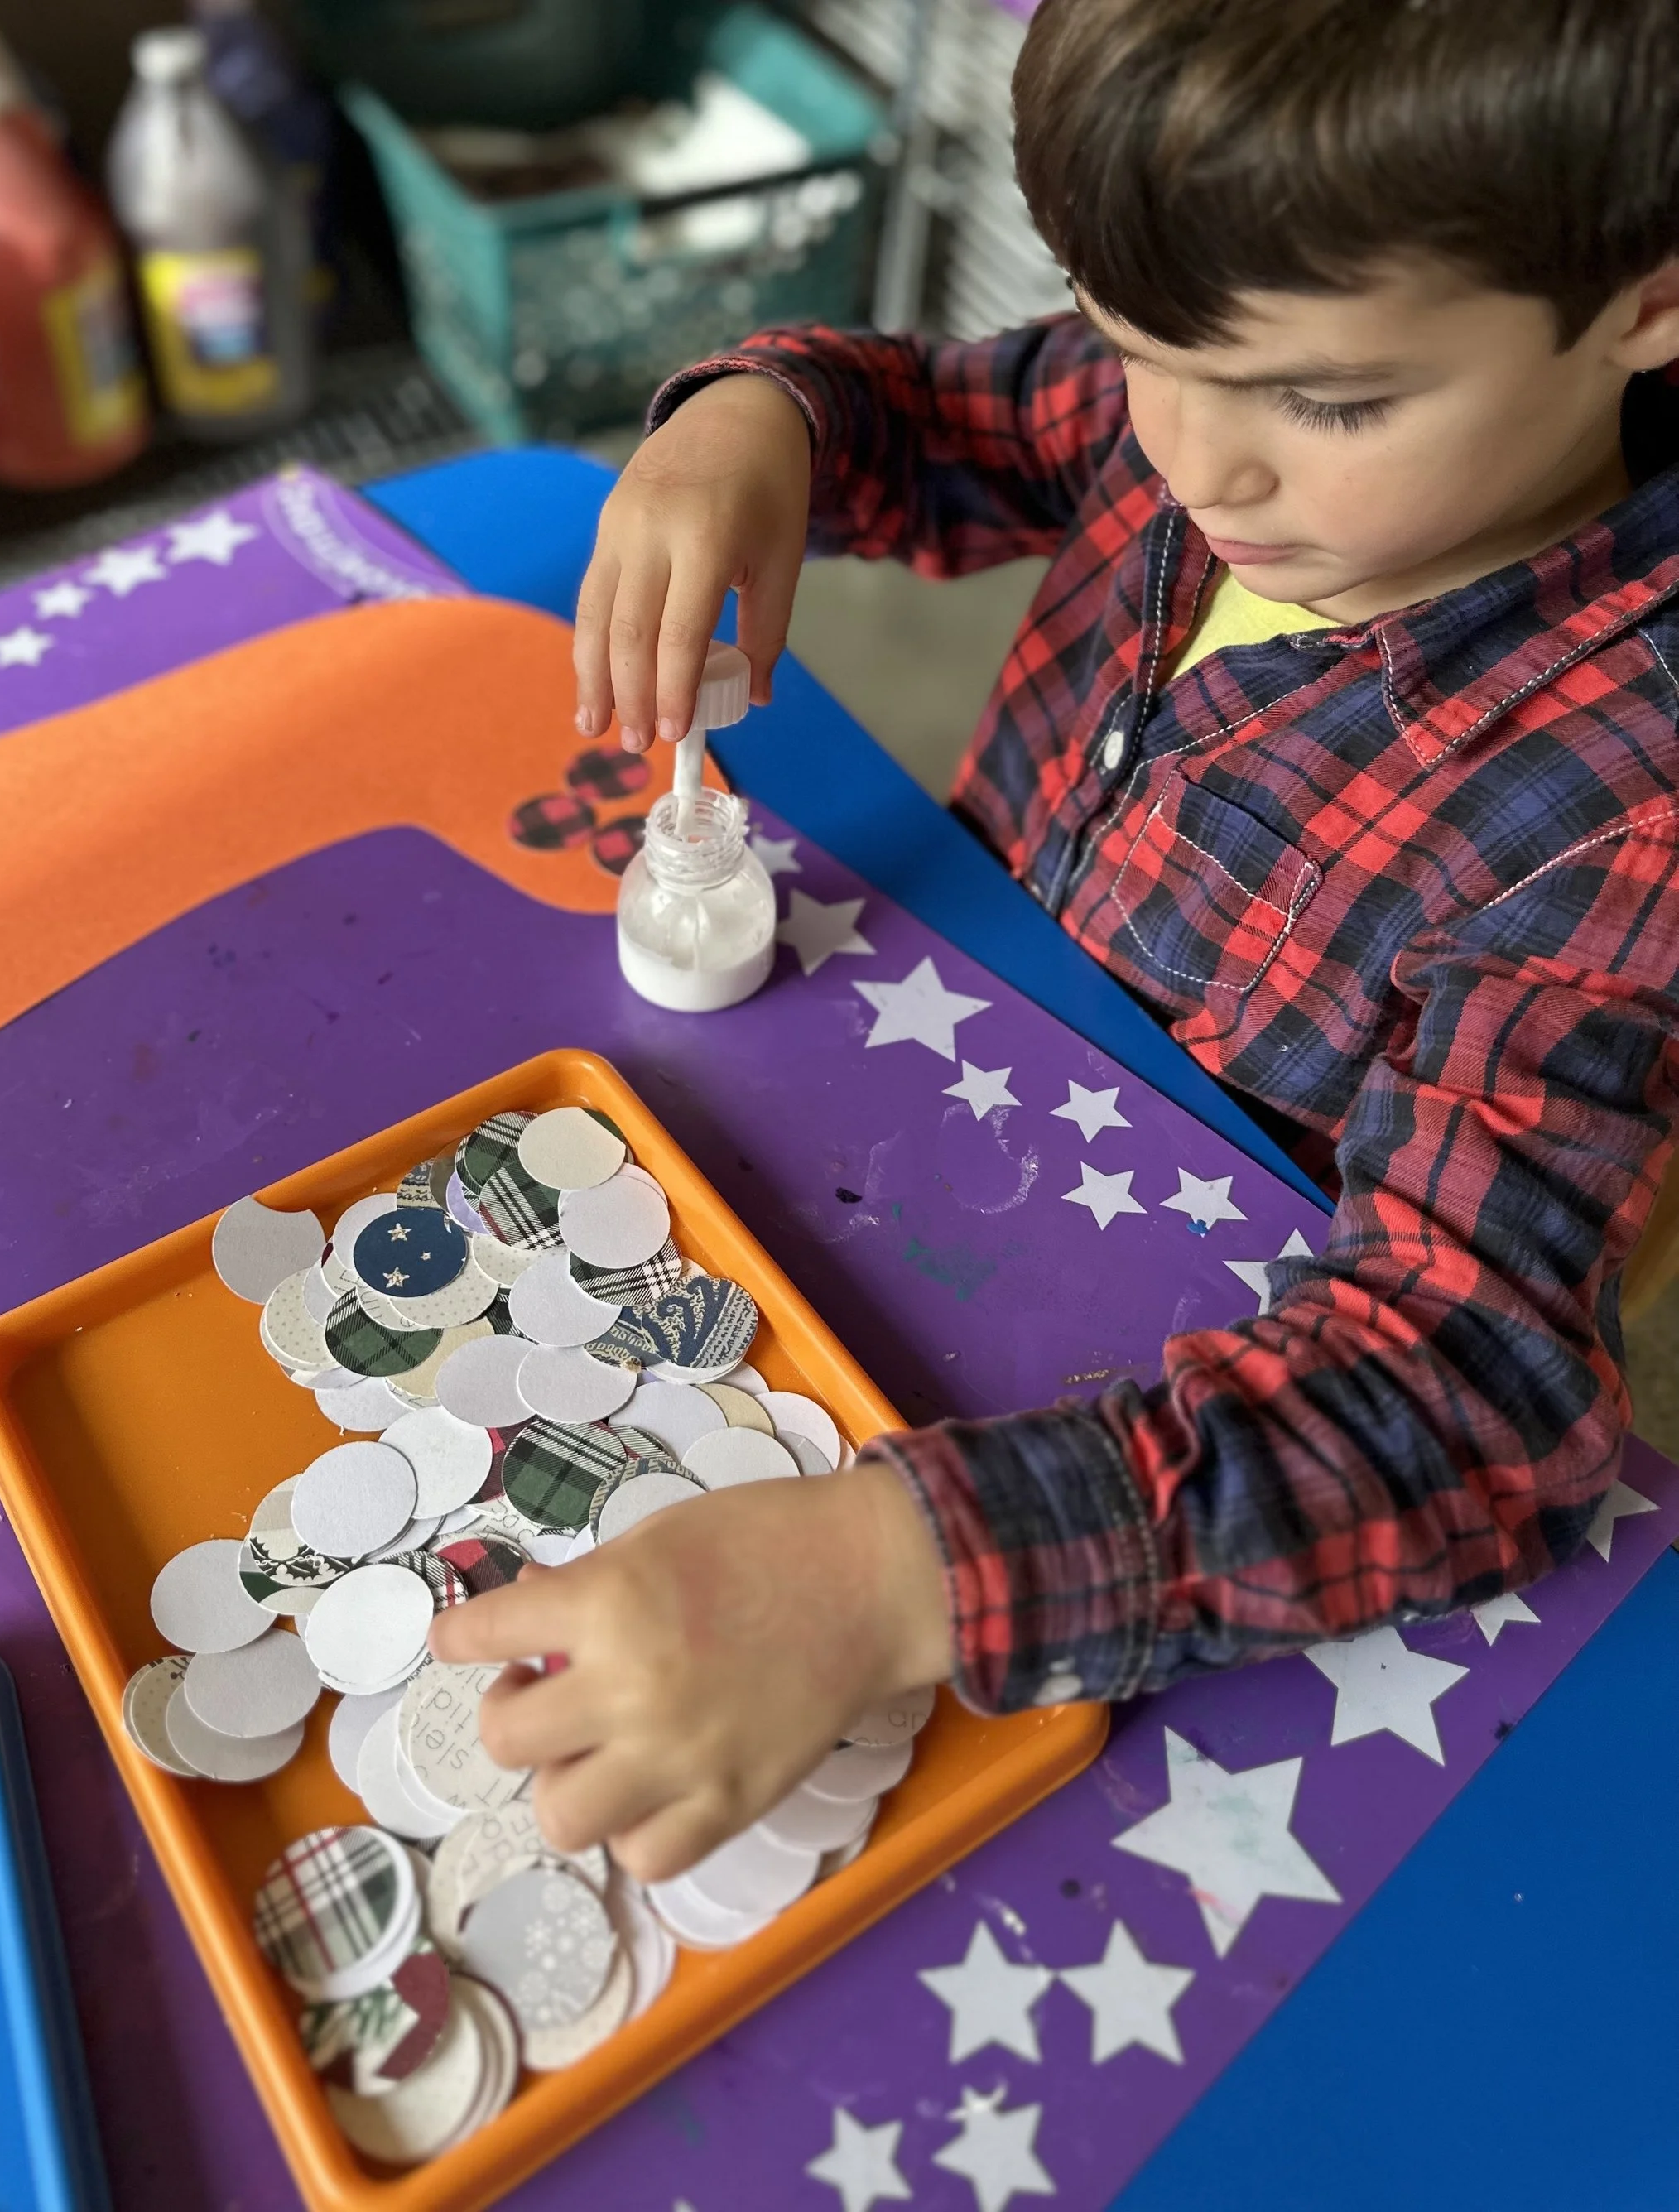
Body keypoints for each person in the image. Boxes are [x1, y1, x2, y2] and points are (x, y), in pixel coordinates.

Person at [431, 0, 1679, 1882]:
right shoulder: (1222, 368)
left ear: (1645, 303)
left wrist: (888, 1572)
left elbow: (1468, 1384)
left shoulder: (1626, 803)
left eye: (1326, 402)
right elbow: (946, 412)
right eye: (1125, 339)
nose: (1195, 464)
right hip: (914, 1125)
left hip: (1173, 1420)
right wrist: (754, 420)